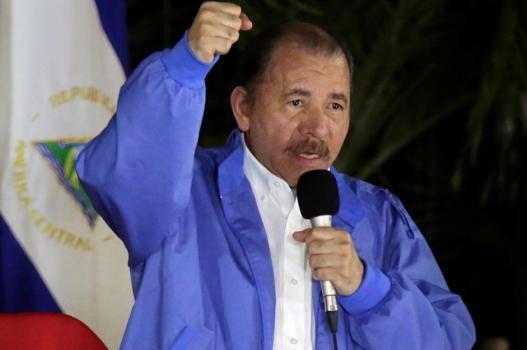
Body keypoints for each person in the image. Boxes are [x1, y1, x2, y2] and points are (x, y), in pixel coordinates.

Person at [76, 2, 475, 349]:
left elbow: (448, 339)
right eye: (297, 101)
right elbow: (119, 173)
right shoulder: (181, 194)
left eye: (335, 106)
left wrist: (367, 288)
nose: (318, 127)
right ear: (244, 108)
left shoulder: (379, 217)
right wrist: (184, 66)